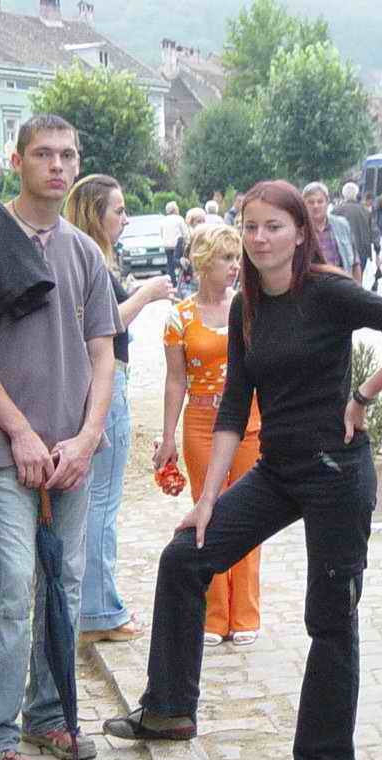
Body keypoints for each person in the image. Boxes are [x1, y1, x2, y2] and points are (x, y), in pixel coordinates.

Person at [103, 180, 382, 760]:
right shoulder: (246, 308)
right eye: (250, 226)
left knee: (329, 615)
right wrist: (206, 500)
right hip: (278, 470)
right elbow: (234, 404)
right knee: (184, 558)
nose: (259, 239)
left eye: (273, 226)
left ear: (301, 233)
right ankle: (169, 708)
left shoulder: (329, 292)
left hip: (336, 473)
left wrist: (363, 397)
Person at [0, 114, 118, 760]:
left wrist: (89, 437)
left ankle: (49, 714)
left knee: (64, 583)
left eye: (68, 154)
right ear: (17, 161)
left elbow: (104, 352)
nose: (57, 166)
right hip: (8, 450)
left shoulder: (85, 254)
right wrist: (17, 429)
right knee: (12, 582)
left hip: (73, 451)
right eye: (43, 154)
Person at [65, 174, 174, 645]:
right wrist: (148, 294)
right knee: (102, 504)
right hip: (107, 386)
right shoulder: (91, 259)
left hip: (88, 386)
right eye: (119, 209)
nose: (126, 219)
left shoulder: (74, 255)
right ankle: (99, 611)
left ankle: (88, 605)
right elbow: (107, 325)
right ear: (96, 213)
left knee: (90, 504)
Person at [154, 224, 262, 647]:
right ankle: (213, 613)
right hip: (201, 422)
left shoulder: (249, 308)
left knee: (250, 511)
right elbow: (174, 381)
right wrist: (168, 437)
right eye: (226, 258)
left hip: (248, 422)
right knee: (207, 511)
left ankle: (246, 612)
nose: (235, 266)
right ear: (203, 262)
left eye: (237, 258)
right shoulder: (179, 318)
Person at [303, 181, 360, 283]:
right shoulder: (298, 230)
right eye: (311, 202)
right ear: (304, 204)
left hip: (342, 286)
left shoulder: (342, 225)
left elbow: (355, 262)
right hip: (312, 288)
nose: (316, 206)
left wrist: (358, 288)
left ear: (327, 202)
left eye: (320, 201)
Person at [335, 182, 373, 285]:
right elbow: (371, 232)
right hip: (361, 251)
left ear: (343, 194)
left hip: (342, 252)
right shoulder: (365, 211)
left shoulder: (336, 211)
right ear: (356, 194)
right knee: (357, 283)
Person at [160, 200, 189, 284]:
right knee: (179, 262)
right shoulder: (179, 219)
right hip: (178, 245)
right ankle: (184, 279)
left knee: (170, 265)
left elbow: (161, 234)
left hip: (167, 246)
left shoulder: (163, 220)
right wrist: (187, 242)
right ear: (175, 210)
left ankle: (172, 282)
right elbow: (185, 233)